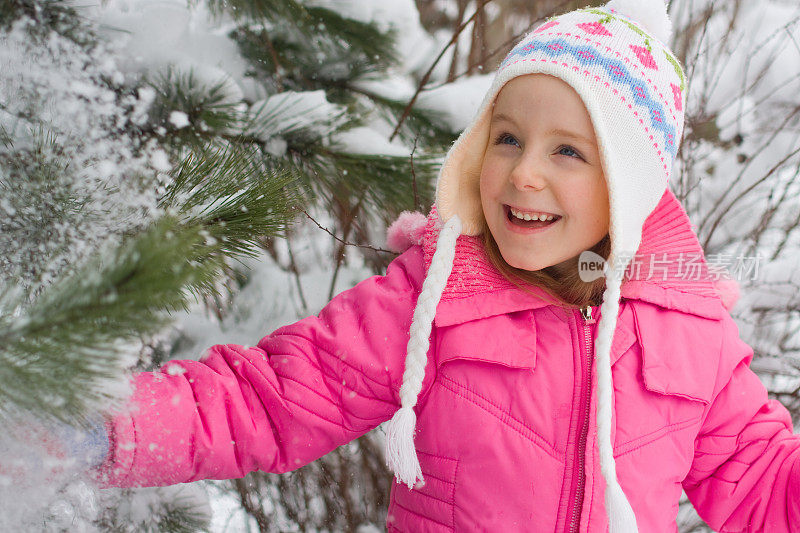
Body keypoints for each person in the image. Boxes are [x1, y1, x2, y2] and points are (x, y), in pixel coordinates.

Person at [75, 0, 800, 531]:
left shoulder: (688, 331)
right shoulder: (437, 298)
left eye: (569, 151)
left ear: (631, 186)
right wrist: (104, 427)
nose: (523, 175)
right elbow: (268, 398)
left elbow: (767, 482)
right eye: (507, 138)